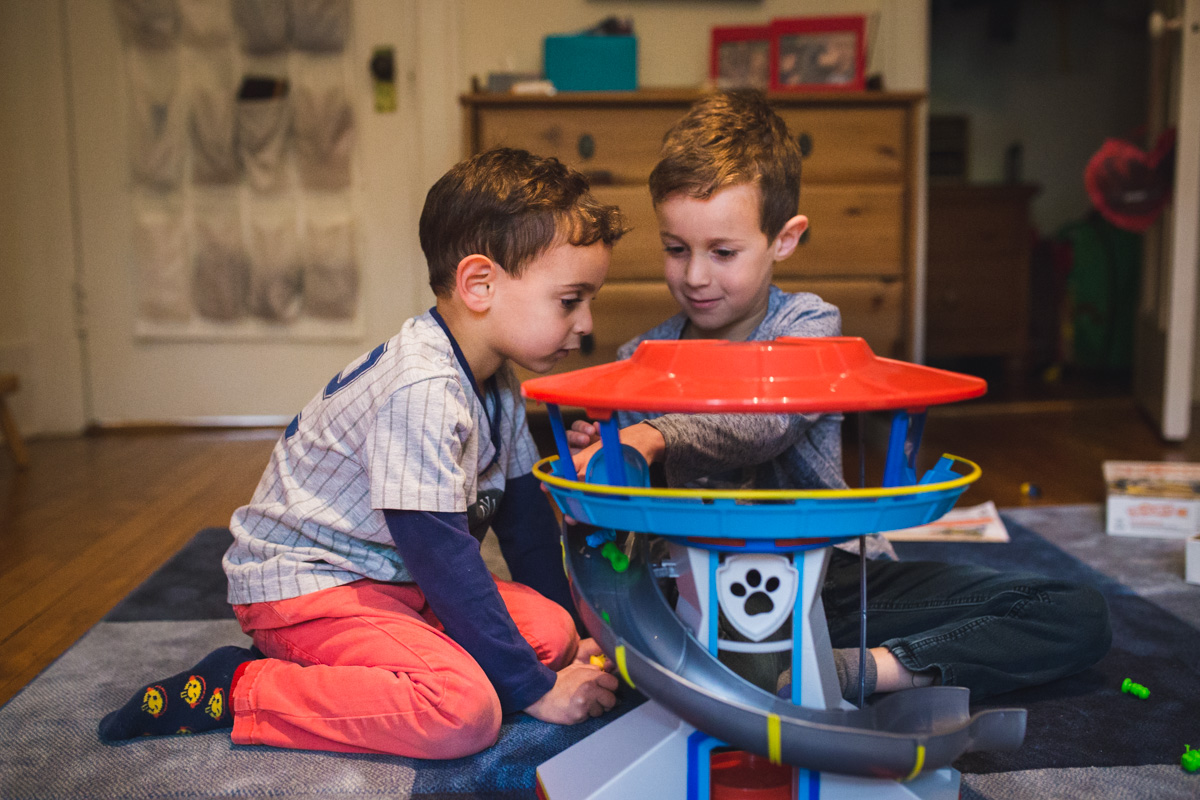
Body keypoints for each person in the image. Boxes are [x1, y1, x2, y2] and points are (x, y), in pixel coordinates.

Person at [567, 89, 1111, 702]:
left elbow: (766, 423)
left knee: (1074, 610)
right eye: (675, 249)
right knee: (612, 608)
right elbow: (627, 512)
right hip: (693, 588)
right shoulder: (640, 359)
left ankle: (864, 670)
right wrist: (609, 453)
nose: (694, 276)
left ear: (785, 239)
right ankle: (735, 663)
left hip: (829, 583)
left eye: (722, 253)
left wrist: (654, 434)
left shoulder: (809, 326)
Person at [98, 147, 624, 758]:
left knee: (552, 634)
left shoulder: (497, 379)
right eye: (570, 300)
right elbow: (444, 557)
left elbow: (525, 526)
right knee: (463, 711)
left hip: (397, 578)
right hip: (306, 588)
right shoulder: (423, 388)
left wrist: (580, 639)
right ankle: (239, 683)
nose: (586, 324)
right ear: (480, 284)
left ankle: (394, 661)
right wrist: (535, 692)